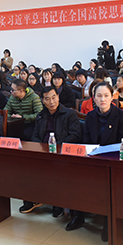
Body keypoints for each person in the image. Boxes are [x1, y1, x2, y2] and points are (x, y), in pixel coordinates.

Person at [67, 81, 123, 234]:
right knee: (76, 176)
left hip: (113, 161)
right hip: (94, 158)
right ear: (93, 98)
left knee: (109, 182)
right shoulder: (90, 116)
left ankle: (108, 220)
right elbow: (87, 140)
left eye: (106, 95)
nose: (103, 99)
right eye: (99, 96)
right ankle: (79, 215)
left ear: (112, 97)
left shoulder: (121, 116)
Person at [21, 86, 81, 217]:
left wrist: (56, 147)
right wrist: (42, 148)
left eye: (54, 97)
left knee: (56, 168)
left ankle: (56, 202)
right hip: (44, 151)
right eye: (47, 99)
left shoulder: (69, 114)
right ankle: (33, 198)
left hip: (62, 152)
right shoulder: (41, 115)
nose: (51, 101)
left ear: (58, 97)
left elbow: (75, 135)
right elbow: (34, 135)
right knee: (27, 165)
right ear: (43, 101)